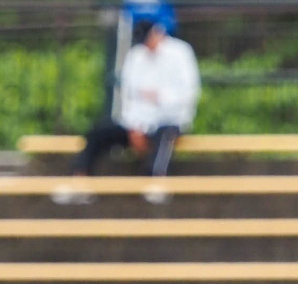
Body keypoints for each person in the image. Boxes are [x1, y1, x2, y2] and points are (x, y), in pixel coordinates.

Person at [54, 20, 200, 204]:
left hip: (170, 118)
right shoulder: (136, 56)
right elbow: (130, 96)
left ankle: (156, 180)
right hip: (137, 122)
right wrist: (134, 126)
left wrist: (159, 97)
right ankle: (79, 179)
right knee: (99, 132)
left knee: (165, 135)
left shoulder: (180, 53)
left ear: (157, 33)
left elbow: (188, 94)